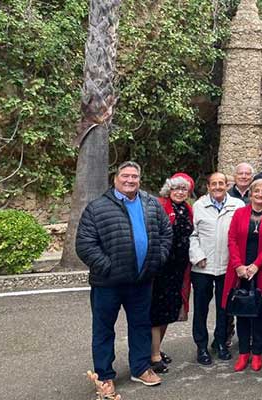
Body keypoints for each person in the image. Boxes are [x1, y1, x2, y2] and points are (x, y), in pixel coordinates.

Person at [76, 161, 172, 394]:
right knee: (103, 329)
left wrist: (155, 260)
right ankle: (105, 376)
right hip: (107, 282)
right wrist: (108, 266)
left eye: (134, 176)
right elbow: (85, 244)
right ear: (116, 179)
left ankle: (140, 368)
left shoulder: (151, 204)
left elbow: (165, 233)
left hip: (141, 280)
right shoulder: (97, 207)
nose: (130, 180)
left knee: (141, 325)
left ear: (140, 179)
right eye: (125, 176)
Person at [223, 179, 262, 373]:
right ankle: (243, 353)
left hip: (261, 270)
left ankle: (257, 353)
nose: (260, 194)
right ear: (251, 193)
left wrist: (256, 265)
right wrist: (239, 266)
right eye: (257, 191)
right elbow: (231, 239)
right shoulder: (240, 213)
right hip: (240, 271)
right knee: (241, 312)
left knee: (260, 313)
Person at [189, 172, 245, 365]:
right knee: (201, 308)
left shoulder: (237, 205)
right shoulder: (199, 206)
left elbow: (240, 234)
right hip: (203, 266)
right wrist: (197, 256)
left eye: (222, 183)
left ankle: (221, 342)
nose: (218, 187)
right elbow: (192, 235)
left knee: (225, 308)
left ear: (227, 185)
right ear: (208, 186)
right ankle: (201, 346)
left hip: (227, 266)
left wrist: (237, 261)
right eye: (214, 184)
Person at [149, 173, 195, 374]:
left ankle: (156, 348)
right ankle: (154, 355)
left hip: (179, 269)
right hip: (161, 268)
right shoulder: (159, 206)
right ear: (169, 189)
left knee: (169, 311)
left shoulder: (187, 208)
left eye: (183, 189)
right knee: (157, 312)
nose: (179, 192)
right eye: (176, 188)